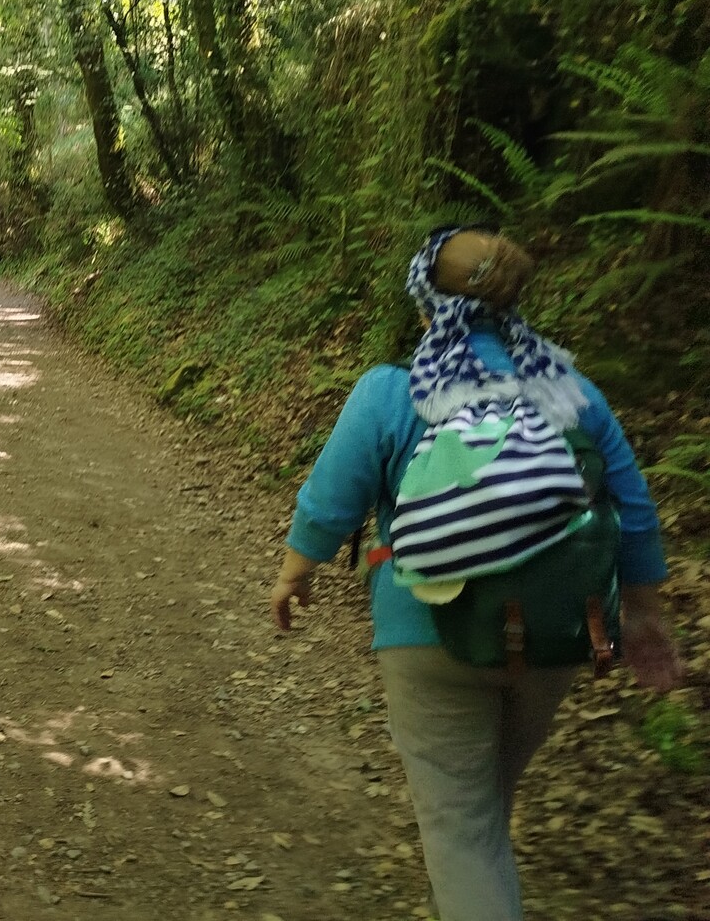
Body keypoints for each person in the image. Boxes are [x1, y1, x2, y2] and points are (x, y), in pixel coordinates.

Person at [268, 225, 683, 921]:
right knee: (483, 803)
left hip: (425, 631)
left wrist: (293, 572)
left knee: (461, 822)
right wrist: (642, 614)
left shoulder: (392, 391)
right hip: (557, 632)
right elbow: (633, 511)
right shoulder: (571, 392)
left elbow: (329, 499)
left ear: (425, 304)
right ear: (511, 302)